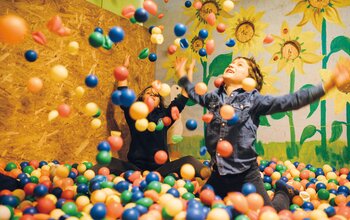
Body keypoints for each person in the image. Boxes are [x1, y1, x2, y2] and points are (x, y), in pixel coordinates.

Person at [176, 56, 350, 211]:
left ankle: (284, 192)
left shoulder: (253, 99)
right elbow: (193, 93)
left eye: (240, 64)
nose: (232, 64)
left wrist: (329, 84)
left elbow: (291, 101)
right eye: (232, 63)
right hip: (219, 174)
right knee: (200, 210)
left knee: (268, 215)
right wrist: (183, 75)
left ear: (250, 79)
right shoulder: (213, 98)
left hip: (246, 175)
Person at [93, 55, 211, 179]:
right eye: (148, 93)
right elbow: (123, 92)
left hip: (161, 170)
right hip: (135, 169)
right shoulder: (134, 112)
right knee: (105, 161)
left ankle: (211, 178)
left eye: (156, 95)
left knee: (190, 161)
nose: (152, 95)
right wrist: (124, 68)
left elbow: (184, 96)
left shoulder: (165, 114)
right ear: (142, 98)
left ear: (159, 102)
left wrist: (188, 72)